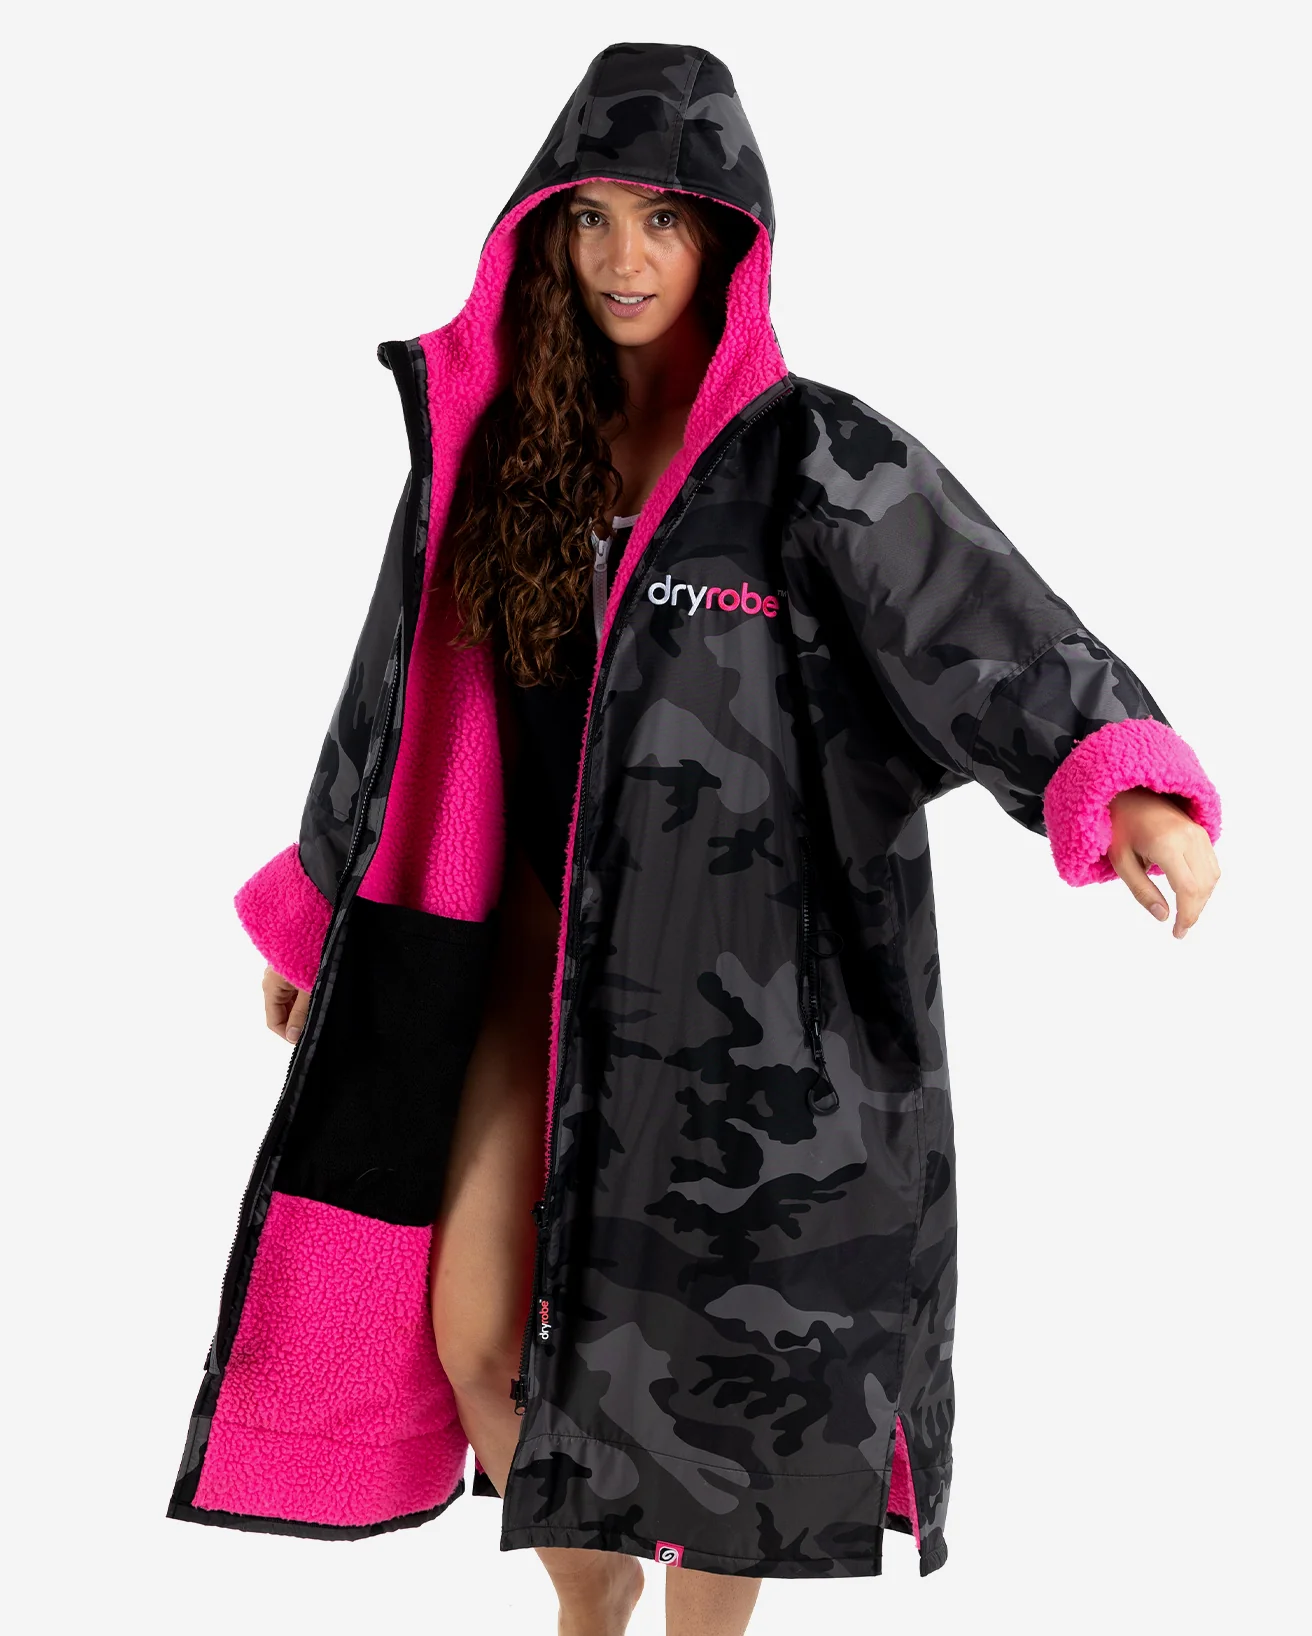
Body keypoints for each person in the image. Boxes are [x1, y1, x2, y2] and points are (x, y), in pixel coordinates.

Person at [168, 40, 1222, 1630]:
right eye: (592, 220)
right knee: (480, 1338)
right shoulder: (499, 457)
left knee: (730, 1394)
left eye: (662, 221)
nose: (625, 258)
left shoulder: (816, 463)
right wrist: (322, 908)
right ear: (543, 239)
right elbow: (395, 692)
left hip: (741, 1009)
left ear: (725, 238)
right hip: (517, 970)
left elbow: (980, 624)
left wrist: (1119, 776)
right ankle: (588, 1615)